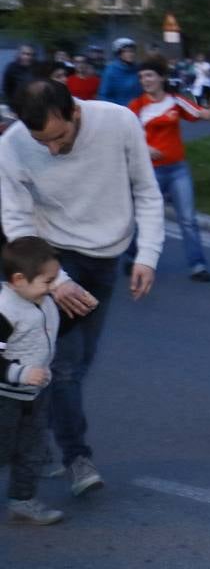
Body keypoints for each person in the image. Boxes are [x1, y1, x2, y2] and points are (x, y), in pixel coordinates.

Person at [0, 78, 163, 497]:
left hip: (107, 257)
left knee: (80, 362)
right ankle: (77, 457)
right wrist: (55, 280)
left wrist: (146, 255)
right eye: (43, 143)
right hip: (53, 254)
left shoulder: (119, 122)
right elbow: (16, 221)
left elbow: (146, 190)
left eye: (58, 138)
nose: (52, 150)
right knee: (67, 366)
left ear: (75, 112)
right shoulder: (15, 144)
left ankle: (34, 434)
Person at [127, 55, 210, 282]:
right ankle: (132, 257)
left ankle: (198, 266)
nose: (145, 80)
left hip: (178, 169)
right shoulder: (136, 106)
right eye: (141, 77)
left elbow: (204, 115)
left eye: (149, 75)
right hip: (150, 172)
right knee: (143, 217)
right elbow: (127, 137)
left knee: (188, 219)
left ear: (162, 78)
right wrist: (145, 148)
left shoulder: (175, 101)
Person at [0, 236, 63, 524]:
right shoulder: (5, 311)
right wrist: (21, 373)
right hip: (6, 396)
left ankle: (23, 500)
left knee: (32, 448)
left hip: (35, 393)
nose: (53, 287)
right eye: (47, 281)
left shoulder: (42, 299)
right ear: (18, 279)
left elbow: (44, 335)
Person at [96, 38, 141, 106]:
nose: (131, 54)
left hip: (138, 109)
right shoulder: (110, 71)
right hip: (120, 111)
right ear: (119, 54)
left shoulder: (137, 69)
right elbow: (104, 96)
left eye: (132, 51)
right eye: (127, 51)